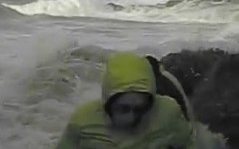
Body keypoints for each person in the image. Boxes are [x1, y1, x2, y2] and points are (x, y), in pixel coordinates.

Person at [55, 52, 195, 149]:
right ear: (108, 102)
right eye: (123, 108)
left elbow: (191, 144)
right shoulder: (83, 121)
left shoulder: (168, 112)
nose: (131, 116)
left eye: (140, 109)